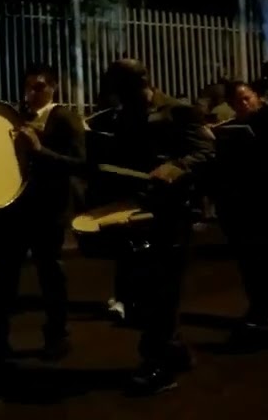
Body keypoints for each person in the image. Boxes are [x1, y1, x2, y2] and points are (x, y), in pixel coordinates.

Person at [89, 59, 214, 394]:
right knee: (139, 289)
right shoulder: (124, 116)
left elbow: (206, 150)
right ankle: (174, 350)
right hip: (137, 212)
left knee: (163, 289)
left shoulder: (178, 112)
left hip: (174, 213)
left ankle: (157, 364)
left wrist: (177, 166)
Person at [0, 63, 85, 362]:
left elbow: (79, 163)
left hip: (48, 210)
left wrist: (39, 150)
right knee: (5, 275)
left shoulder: (64, 118)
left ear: (53, 87)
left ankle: (57, 335)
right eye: (28, 86)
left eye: (39, 86)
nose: (32, 93)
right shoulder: (19, 117)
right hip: (17, 208)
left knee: (50, 274)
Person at [210, 82, 268, 342]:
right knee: (246, 258)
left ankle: (261, 309)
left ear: (257, 98)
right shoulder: (230, 128)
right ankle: (257, 306)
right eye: (237, 101)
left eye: (247, 98)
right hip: (236, 200)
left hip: (260, 198)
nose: (243, 104)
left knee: (259, 256)